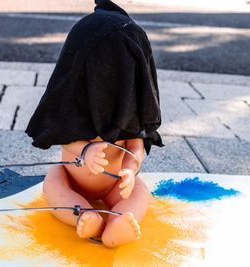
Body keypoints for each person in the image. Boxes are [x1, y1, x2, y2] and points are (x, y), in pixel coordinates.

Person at [26, 0, 163, 248]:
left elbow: (136, 146)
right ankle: (85, 215)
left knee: (140, 192)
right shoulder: (75, 112)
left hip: (113, 185)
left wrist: (131, 169)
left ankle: (118, 224)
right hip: (72, 179)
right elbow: (66, 139)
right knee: (53, 183)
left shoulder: (128, 115)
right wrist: (85, 151)